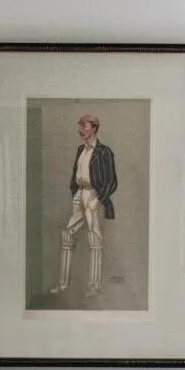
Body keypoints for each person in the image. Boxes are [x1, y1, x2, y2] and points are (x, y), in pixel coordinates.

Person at [52, 112, 118, 297]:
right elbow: (76, 173)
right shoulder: (80, 150)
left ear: (94, 128)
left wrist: (97, 198)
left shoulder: (104, 151)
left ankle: (94, 286)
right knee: (68, 236)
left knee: (95, 240)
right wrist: (76, 192)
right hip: (79, 194)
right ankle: (63, 285)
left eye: (84, 126)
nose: (80, 130)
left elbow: (112, 181)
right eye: (79, 126)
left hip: (94, 196)